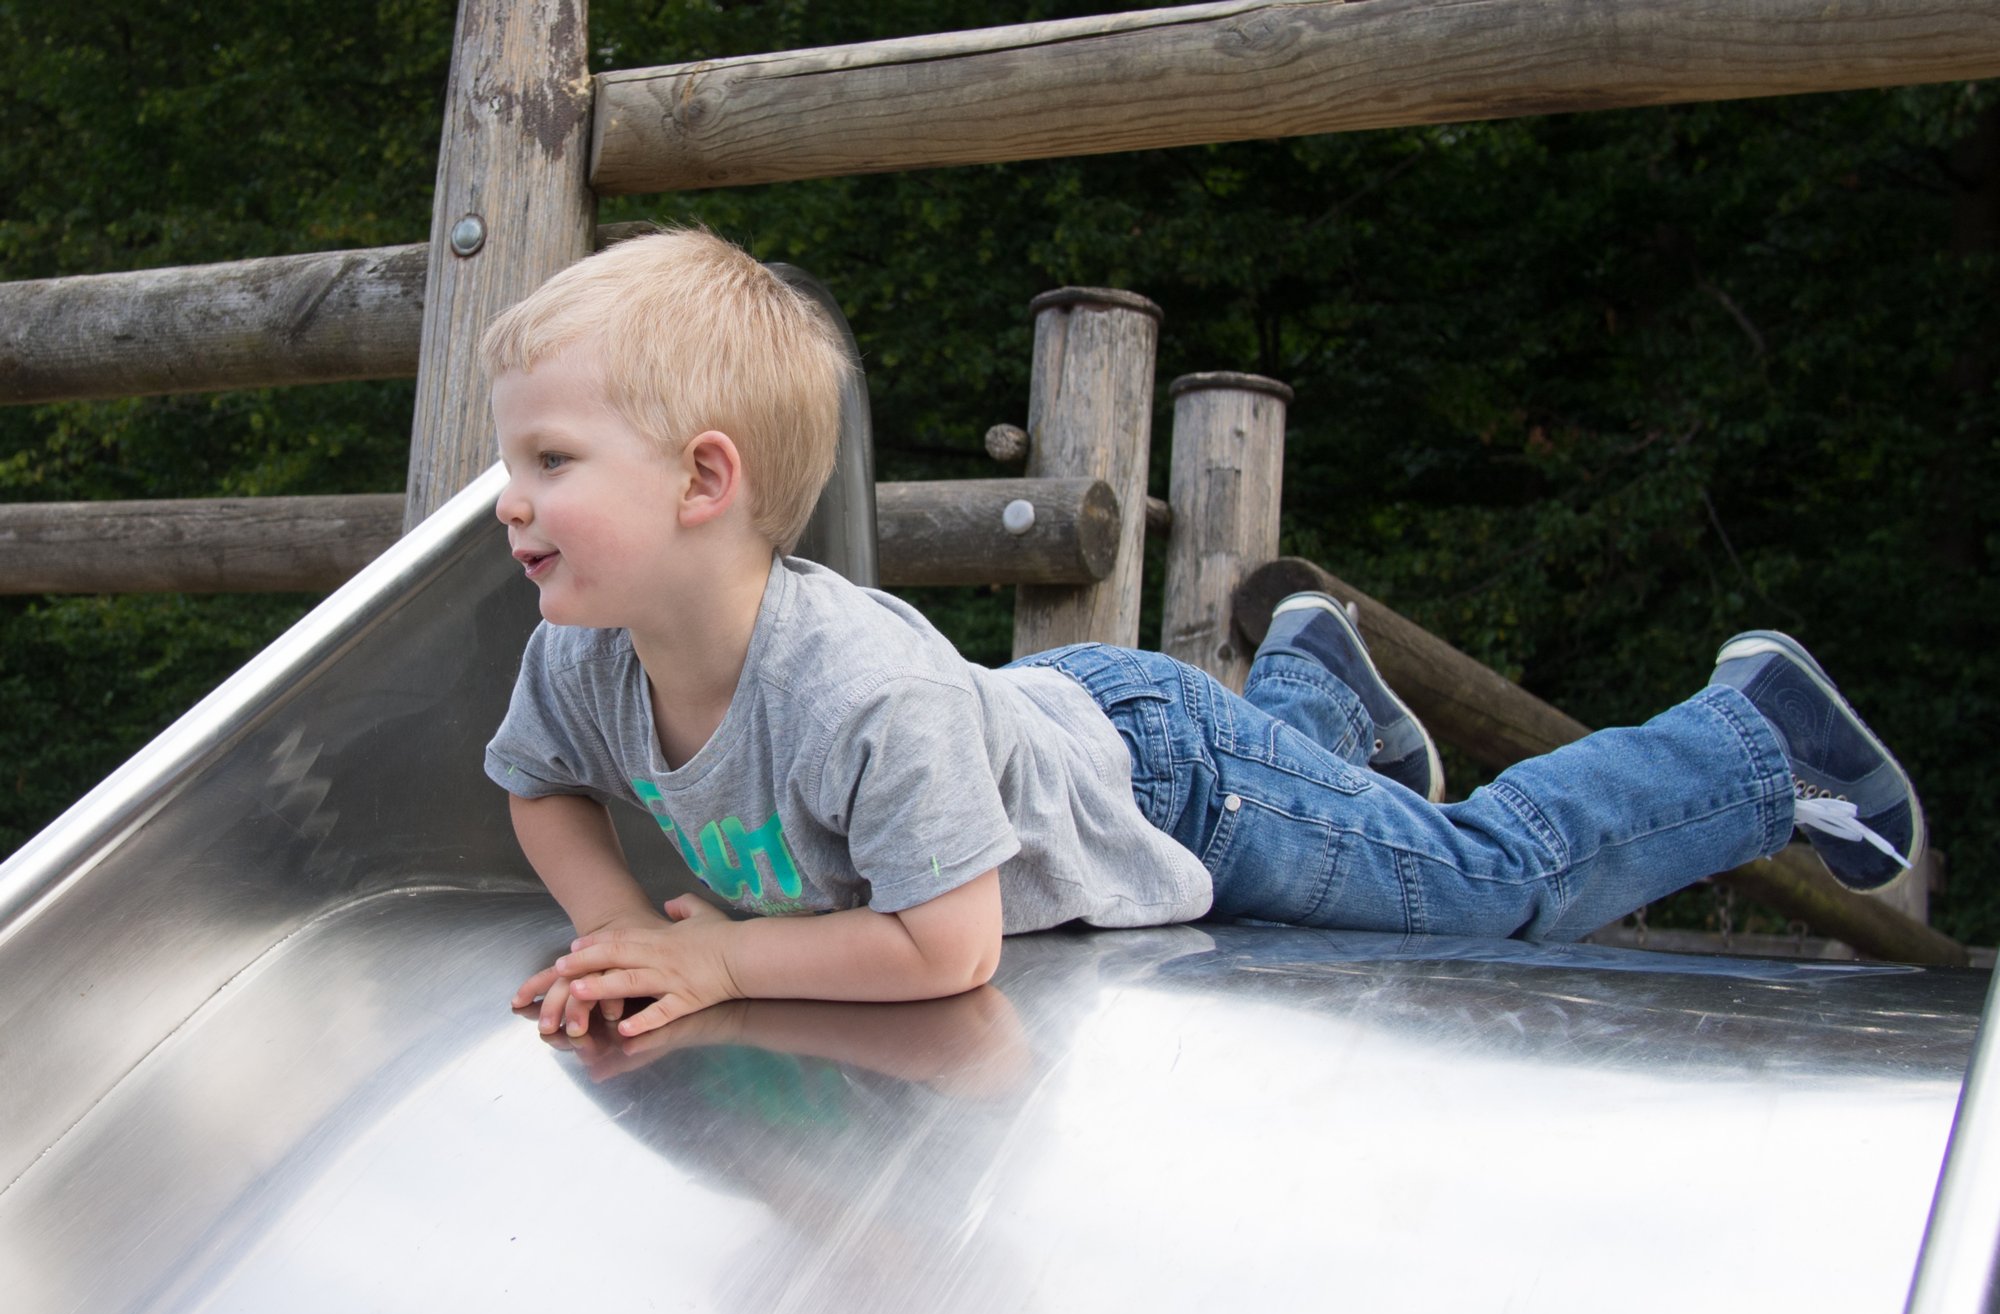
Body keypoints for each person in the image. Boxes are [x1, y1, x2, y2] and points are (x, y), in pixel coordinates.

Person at [485, 225, 1924, 1041]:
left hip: (1169, 778)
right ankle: (1317, 689)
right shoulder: (584, 649)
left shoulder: (858, 690)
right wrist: (613, 919)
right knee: (1329, 818)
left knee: (1478, 886)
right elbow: (535, 780)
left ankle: (1751, 741)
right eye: (515, 463)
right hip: (1045, 726)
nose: (510, 500)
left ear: (704, 481)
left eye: (551, 460)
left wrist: (728, 960)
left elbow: (947, 947)